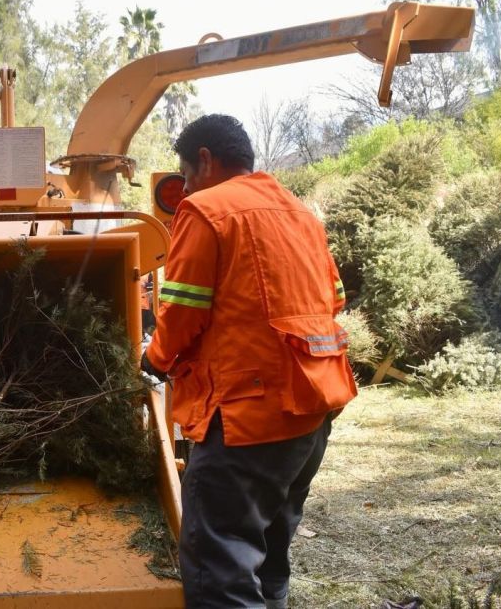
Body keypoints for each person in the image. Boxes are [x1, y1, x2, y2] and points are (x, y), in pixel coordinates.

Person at [140, 114, 357, 609]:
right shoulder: (300, 213)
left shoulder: (205, 210)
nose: (186, 188)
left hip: (246, 419)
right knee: (268, 553)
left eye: (187, 176)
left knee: (220, 567)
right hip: (312, 410)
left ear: (205, 161)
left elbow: (182, 315)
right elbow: (334, 298)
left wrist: (154, 358)